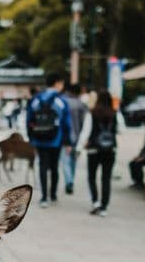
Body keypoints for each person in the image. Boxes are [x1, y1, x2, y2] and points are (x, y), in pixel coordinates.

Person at [26, 72, 71, 208]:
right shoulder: (61, 101)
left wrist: (31, 137)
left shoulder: (36, 99)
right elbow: (67, 123)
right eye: (61, 83)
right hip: (56, 138)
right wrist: (68, 141)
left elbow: (29, 119)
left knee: (42, 166)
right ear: (57, 83)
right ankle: (53, 195)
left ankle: (44, 197)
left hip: (39, 137)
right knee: (54, 166)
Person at [77, 90, 118, 216]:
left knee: (92, 177)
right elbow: (121, 129)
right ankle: (104, 207)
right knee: (106, 178)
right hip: (110, 150)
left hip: (94, 149)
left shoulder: (92, 113)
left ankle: (95, 202)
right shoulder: (115, 114)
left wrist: (79, 147)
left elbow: (85, 132)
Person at [62, 83, 88, 195]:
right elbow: (85, 123)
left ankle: (69, 181)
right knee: (73, 160)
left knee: (65, 161)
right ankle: (71, 180)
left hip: (65, 137)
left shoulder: (63, 102)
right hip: (78, 137)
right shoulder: (82, 105)